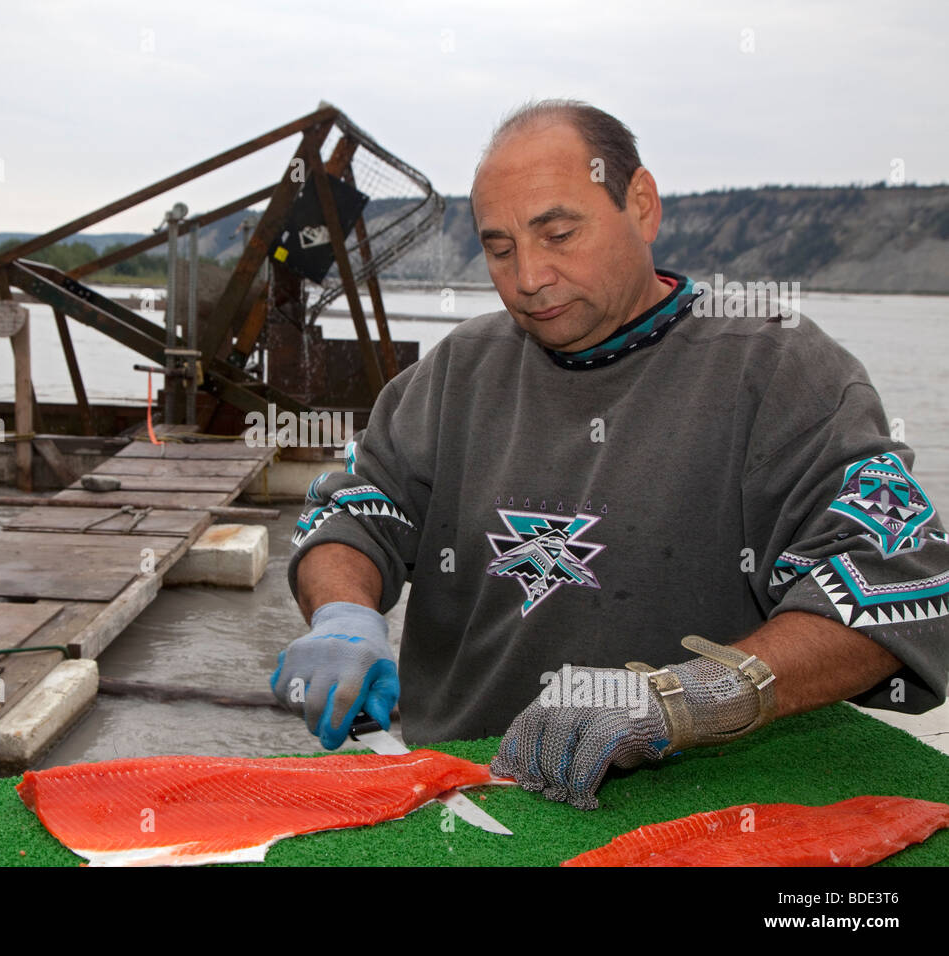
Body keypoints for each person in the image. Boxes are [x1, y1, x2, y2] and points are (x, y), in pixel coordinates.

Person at [270, 98, 949, 811]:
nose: (529, 276)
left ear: (643, 206)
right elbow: (353, 512)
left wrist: (690, 699)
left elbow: (899, 583)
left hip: (704, 807)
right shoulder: (455, 373)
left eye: (559, 234)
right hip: (462, 792)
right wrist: (344, 614)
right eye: (498, 249)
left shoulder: (780, 369)